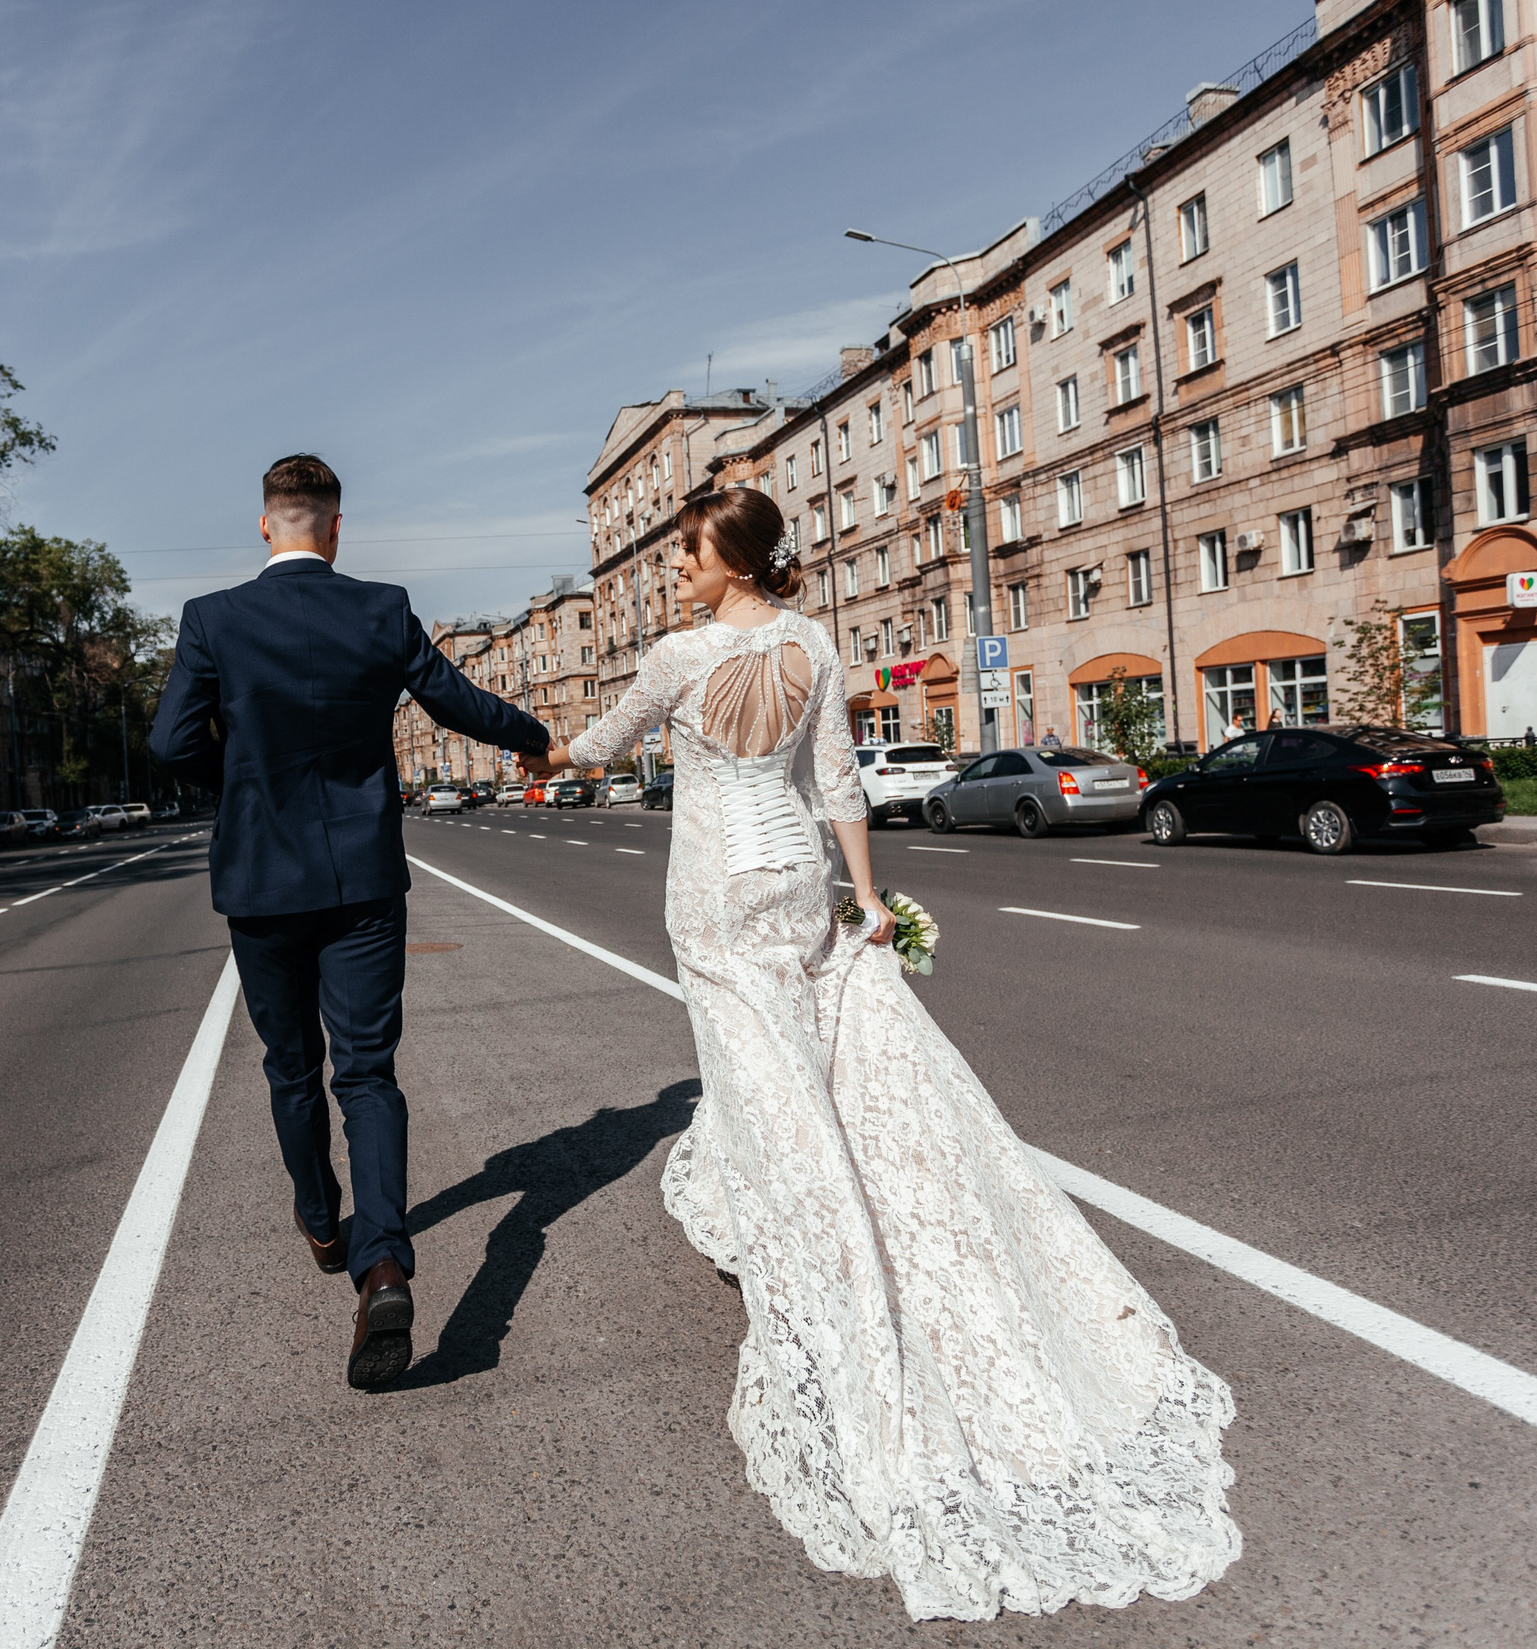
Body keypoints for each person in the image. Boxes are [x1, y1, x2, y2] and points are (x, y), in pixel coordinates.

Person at [520, 487, 1239, 1621]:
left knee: (762, 1082)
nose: (675, 578)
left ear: (734, 561)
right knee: (800, 1065)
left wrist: (516, 734)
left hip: (714, 898)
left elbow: (587, 749)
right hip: (799, 882)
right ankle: (808, 1196)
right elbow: (840, 785)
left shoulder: (674, 658)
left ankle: (822, 1249)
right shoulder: (813, 641)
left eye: (687, 557)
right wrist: (865, 903)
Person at [149, 454, 549, 1390]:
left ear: (265, 526)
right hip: (363, 879)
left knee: (293, 1065)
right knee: (368, 1072)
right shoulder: (381, 607)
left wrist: (242, 784)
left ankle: (323, 1219)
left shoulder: (215, 619)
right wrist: (535, 736)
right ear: (336, 527)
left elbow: (170, 743)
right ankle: (383, 1266)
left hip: (259, 882)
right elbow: (453, 699)